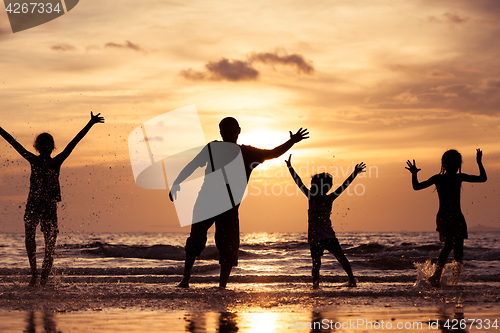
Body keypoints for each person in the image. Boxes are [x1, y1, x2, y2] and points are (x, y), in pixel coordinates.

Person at [169, 117, 309, 288]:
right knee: (195, 240)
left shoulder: (248, 153)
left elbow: (272, 153)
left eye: (231, 132)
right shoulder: (212, 148)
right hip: (205, 201)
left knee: (228, 245)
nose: (228, 135)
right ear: (220, 133)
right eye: (224, 132)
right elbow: (193, 165)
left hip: (229, 207)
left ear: (238, 131)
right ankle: (185, 279)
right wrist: (177, 182)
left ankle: (222, 286)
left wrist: (292, 141)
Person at [0, 112, 105, 286]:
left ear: (52, 147)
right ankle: (34, 274)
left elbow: (74, 143)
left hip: (49, 206)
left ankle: (44, 279)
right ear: (37, 146)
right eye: (42, 144)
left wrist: (90, 123)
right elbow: (13, 142)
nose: (46, 146)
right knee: (29, 238)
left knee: (50, 244)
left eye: (48, 144)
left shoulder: (57, 162)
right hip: (33, 205)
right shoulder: (32, 160)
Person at [405, 149, 487, 287]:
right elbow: (417, 187)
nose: (454, 165)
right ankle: (436, 276)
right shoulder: (438, 178)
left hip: (457, 217)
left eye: (456, 162)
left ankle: (454, 281)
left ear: (459, 164)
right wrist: (414, 174)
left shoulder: (459, 177)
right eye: (450, 162)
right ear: (444, 164)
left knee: (459, 252)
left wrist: (479, 162)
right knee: (448, 245)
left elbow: (482, 178)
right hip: (444, 216)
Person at [285, 154, 365, 289]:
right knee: (316, 264)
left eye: (314, 185)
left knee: (341, 258)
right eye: (311, 185)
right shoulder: (311, 197)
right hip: (315, 237)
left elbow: (344, 186)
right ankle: (315, 285)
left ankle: (352, 279)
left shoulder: (329, 198)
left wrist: (354, 173)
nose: (311, 187)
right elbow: (298, 182)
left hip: (328, 235)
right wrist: (290, 167)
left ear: (324, 187)